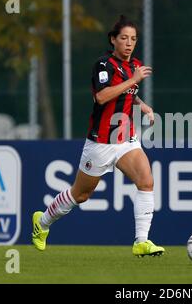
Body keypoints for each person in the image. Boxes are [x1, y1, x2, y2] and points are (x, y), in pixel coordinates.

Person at [32, 15, 165, 257]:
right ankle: (42, 223)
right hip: (101, 142)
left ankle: (141, 242)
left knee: (146, 182)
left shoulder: (134, 65)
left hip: (125, 139)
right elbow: (102, 97)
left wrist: (142, 105)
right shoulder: (104, 65)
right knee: (80, 195)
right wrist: (134, 81)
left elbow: (128, 92)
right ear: (113, 39)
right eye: (123, 38)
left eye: (133, 39)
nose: (129, 43)